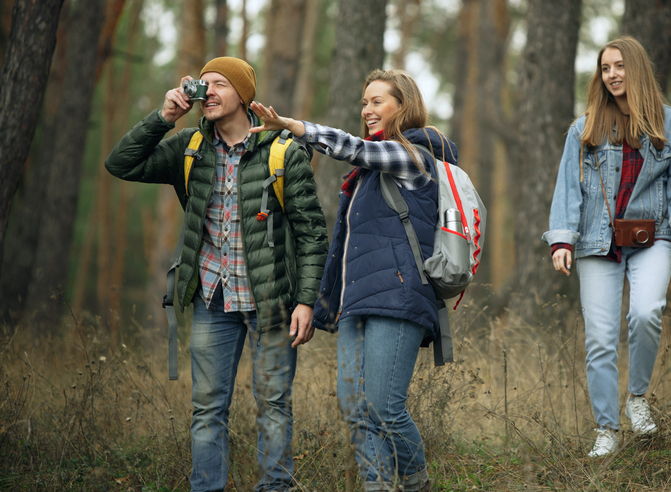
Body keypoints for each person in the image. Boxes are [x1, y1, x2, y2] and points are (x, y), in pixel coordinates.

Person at [105, 56, 329, 491]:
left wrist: (306, 301)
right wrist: (163, 118)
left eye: (219, 84)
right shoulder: (189, 147)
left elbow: (311, 234)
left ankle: (275, 488)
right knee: (207, 409)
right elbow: (121, 164)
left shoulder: (282, 152)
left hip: (272, 302)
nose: (207, 91)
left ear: (243, 95)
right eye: (202, 84)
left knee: (274, 405)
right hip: (213, 298)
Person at [249, 69, 451, 492]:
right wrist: (325, 301)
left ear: (404, 106)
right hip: (356, 301)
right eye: (364, 102)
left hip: (398, 297)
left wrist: (296, 126)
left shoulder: (414, 157)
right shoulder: (364, 177)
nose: (367, 110)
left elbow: (355, 149)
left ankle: (417, 483)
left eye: (377, 101)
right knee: (355, 407)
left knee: (384, 407)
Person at [542, 37, 671, 457]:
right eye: (605, 68)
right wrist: (562, 239)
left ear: (637, 69)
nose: (612, 75)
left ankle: (637, 398)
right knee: (600, 338)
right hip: (596, 240)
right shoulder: (585, 128)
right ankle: (606, 429)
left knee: (646, 312)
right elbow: (568, 188)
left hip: (654, 237)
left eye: (619, 66)